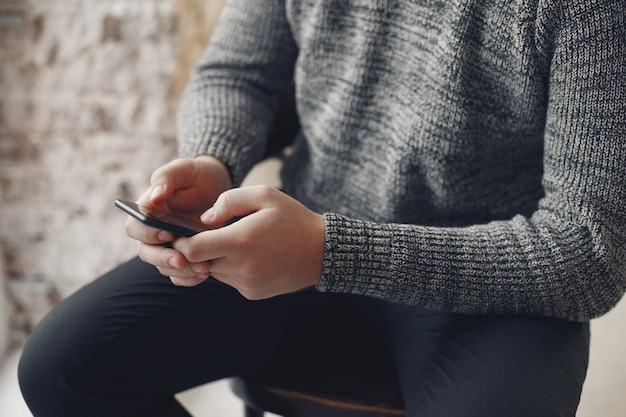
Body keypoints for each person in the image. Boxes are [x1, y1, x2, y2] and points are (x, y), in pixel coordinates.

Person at [17, 0, 626, 416]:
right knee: (60, 369)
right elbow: (237, 73)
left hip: (487, 280)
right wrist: (213, 159)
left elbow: (588, 250)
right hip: (296, 243)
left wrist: (331, 252)